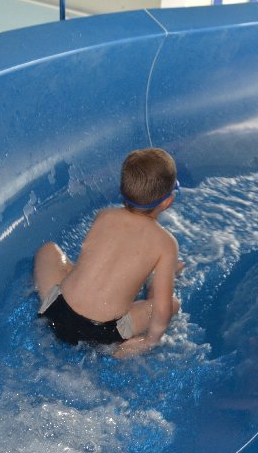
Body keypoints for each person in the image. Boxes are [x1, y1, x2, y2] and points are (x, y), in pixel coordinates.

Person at [33, 148, 182, 358]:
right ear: (167, 202)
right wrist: (151, 340)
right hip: (103, 334)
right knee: (171, 304)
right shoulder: (166, 243)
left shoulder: (105, 215)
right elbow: (162, 310)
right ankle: (153, 282)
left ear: (123, 191)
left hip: (56, 311)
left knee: (48, 250)